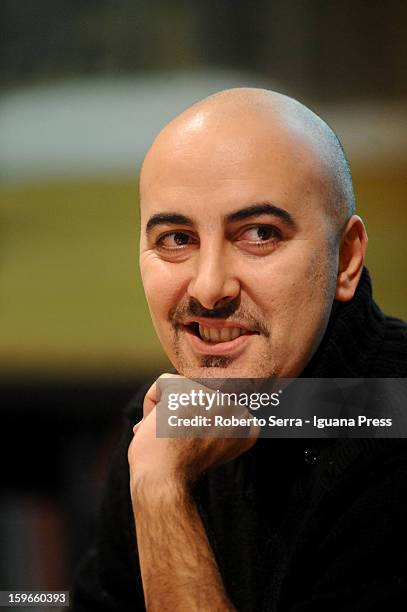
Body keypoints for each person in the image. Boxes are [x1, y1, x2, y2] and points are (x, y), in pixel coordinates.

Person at [71, 88, 407, 611]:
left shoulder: (395, 430)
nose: (208, 289)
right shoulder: (156, 425)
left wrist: (163, 497)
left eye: (258, 233)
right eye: (177, 239)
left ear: (344, 259)